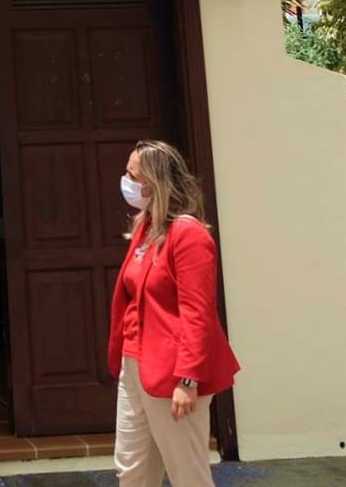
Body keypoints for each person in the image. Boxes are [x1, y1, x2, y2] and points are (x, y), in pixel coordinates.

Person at [107, 139, 240, 487]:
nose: (126, 181)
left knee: (187, 473)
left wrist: (188, 380)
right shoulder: (146, 229)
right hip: (135, 363)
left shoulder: (188, 235)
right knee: (133, 469)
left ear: (154, 182)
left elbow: (197, 314)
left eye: (132, 175)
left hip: (173, 372)